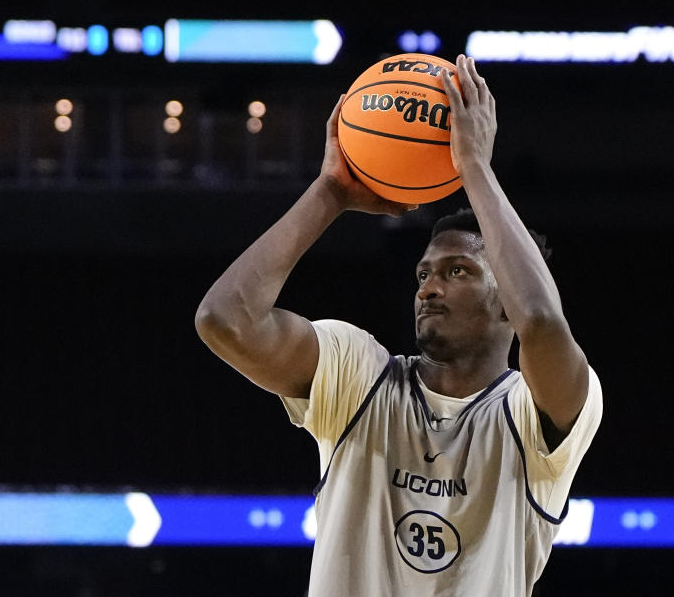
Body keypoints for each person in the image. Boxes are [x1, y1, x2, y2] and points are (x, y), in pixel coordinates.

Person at [194, 54, 602, 596]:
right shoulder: (359, 374)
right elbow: (224, 320)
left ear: (508, 298)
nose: (429, 288)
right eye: (424, 273)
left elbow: (544, 322)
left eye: (458, 272)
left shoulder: (537, 414)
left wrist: (475, 167)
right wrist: (330, 193)